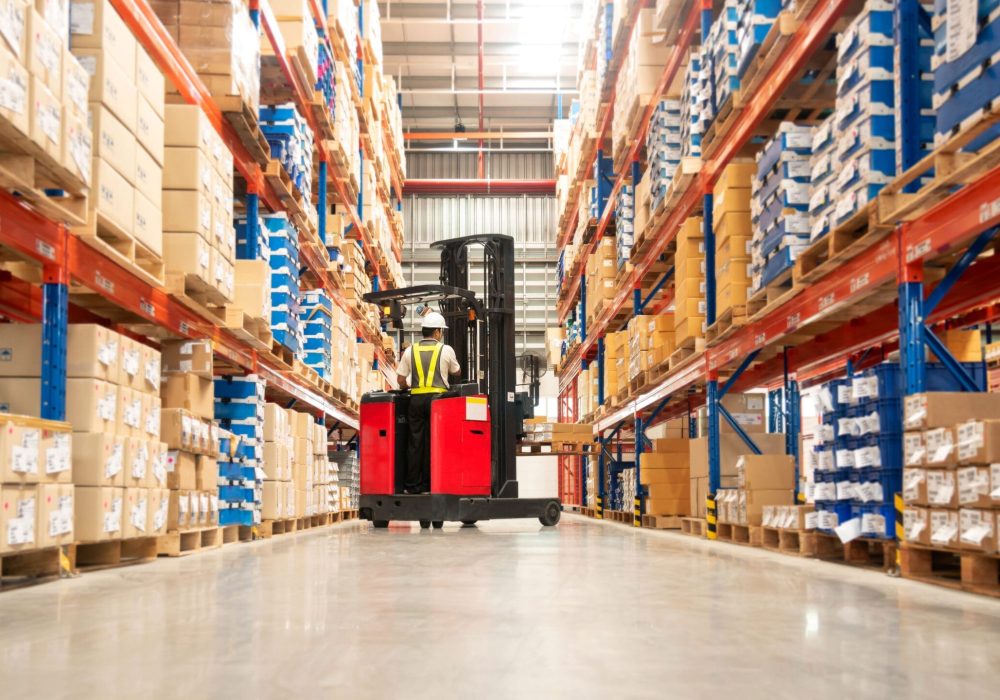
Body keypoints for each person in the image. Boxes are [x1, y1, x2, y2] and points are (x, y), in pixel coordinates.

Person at [395, 312, 462, 494]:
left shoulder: (410, 351)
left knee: (415, 443)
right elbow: (457, 371)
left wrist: (409, 385)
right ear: (438, 332)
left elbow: (400, 379)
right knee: (436, 443)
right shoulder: (445, 350)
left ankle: (413, 486)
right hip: (438, 403)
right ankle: (432, 484)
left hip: (415, 401)